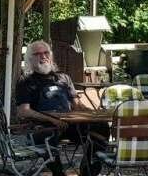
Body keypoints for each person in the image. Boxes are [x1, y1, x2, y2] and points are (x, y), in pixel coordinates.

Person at [15, 40, 106, 176]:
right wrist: (52, 120)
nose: (43, 56)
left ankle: (88, 171)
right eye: (38, 54)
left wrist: (93, 114)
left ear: (51, 56)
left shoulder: (63, 78)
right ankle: (58, 173)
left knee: (101, 127)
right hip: (43, 126)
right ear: (30, 59)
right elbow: (23, 111)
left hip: (69, 125)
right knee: (45, 134)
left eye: (46, 53)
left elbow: (77, 105)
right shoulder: (26, 81)